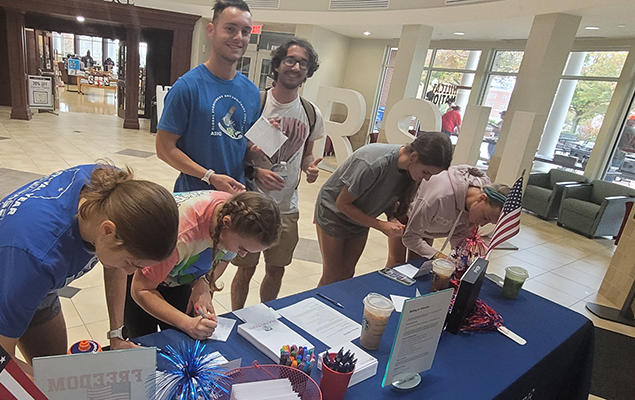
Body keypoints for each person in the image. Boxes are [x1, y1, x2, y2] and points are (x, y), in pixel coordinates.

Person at [0, 164, 180, 376]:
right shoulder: (35, 255)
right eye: (131, 263)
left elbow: (116, 266)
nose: (130, 272)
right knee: (26, 382)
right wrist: (54, 387)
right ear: (107, 231)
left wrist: (116, 334)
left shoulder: (115, 195)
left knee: (56, 369)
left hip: (33, 279)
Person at [229, 38, 325, 310]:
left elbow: (307, 153)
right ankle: (238, 315)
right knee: (244, 269)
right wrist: (256, 170)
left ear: (308, 70)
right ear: (279, 65)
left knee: (276, 268)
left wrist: (310, 167)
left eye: (303, 63)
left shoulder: (311, 112)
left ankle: (264, 316)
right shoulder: (255, 103)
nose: (295, 67)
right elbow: (233, 150)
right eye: (290, 60)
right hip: (250, 202)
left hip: (286, 206)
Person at [127, 191, 281, 340]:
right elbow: (141, 289)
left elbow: (225, 258)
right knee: (144, 339)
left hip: (178, 274)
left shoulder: (236, 215)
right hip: (142, 275)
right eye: (242, 248)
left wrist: (203, 282)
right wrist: (186, 323)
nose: (242, 255)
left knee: (181, 336)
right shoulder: (180, 237)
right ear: (225, 223)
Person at [315, 132, 453, 286]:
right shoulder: (374, 162)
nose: (427, 178)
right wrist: (380, 225)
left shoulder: (411, 173)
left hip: (361, 216)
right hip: (333, 212)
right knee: (332, 275)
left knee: (347, 273)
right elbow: (342, 204)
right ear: (413, 157)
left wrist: (392, 218)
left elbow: (390, 198)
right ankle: (313, 308)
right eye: (426, 172)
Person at [155, 0, 260, 194]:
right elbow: (164, 149)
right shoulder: (187, 87)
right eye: (230, 29)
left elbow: (241, 145)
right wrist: (209, 176)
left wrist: (256, 153)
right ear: (211, 30)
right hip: (193, 197)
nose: (239, 37)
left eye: (246, 32)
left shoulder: (252, 92)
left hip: (234, 200)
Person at [387, 165, 510, 264]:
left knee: (418, 263)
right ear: (482, 198)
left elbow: (458, 235)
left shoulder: (475, 208)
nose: (482, 224)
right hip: (406, 215)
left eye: (489, 222)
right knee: (397, 263)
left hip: (431, 223)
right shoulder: (439, 197)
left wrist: (460, 259)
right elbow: (410, 237)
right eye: (485, 217)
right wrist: (439, 256)